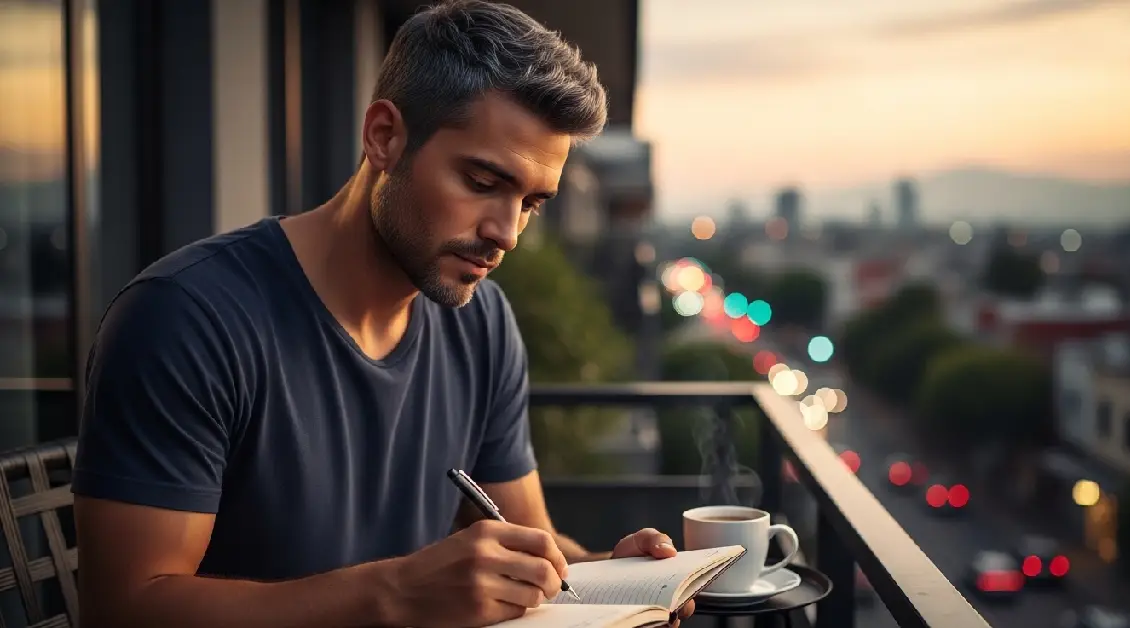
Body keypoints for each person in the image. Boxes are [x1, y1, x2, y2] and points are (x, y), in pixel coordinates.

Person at [70, 1, 695, 626]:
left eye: (531, 202)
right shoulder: (186, 319)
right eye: (482, 182)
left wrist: (611, 576)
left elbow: (529, 541)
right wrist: (395, 594)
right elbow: (125, 607)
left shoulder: (483, 324)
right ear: (384, 138)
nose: (506, 233)